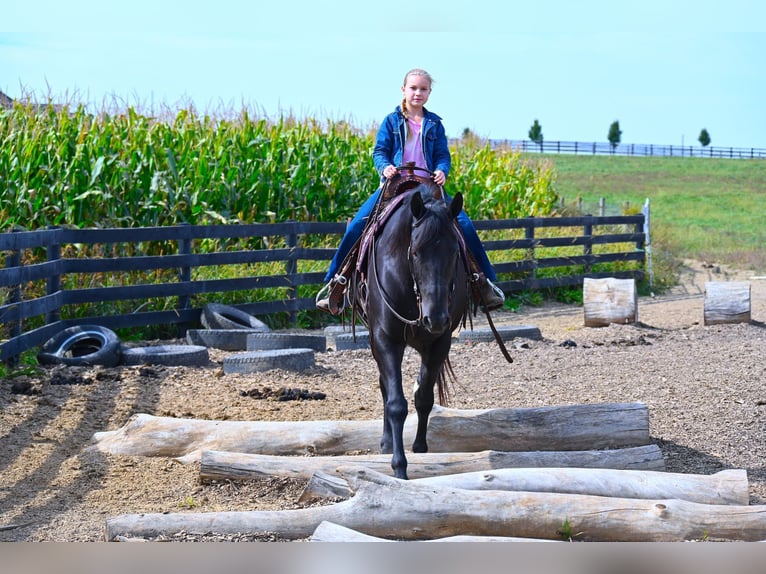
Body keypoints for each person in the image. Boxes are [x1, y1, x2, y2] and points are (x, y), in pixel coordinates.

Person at [316, 68, 505, 314]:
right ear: (403, 90)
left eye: (423, 89)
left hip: (428, 186)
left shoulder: (435, 124)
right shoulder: (391, 121)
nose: (418, 93)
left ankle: (484, 283)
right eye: (413, 88)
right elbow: (380, 151)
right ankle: (336, 282)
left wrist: (441, 170)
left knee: (465, 225)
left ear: (429, 92)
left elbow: (442, 155)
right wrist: (385, 168)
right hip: (396, 184)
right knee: (356, 226)